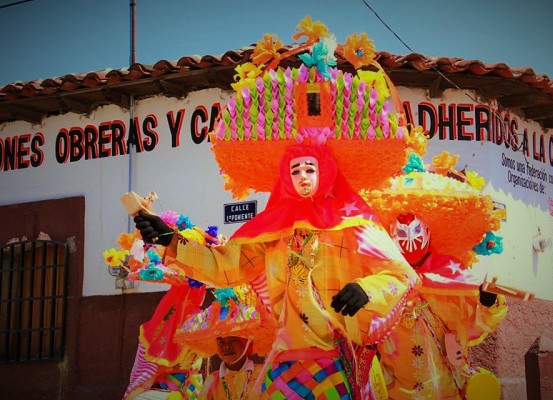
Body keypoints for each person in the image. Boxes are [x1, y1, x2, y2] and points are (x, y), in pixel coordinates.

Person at [135, 144, 418, 399]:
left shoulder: (355, 223)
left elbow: (400, 274)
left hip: (341, 358)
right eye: (295, 170)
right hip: (287, 361)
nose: (303, 176)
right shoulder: (272, 231)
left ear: (327, 171)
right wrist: (170, 241)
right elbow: (226, 267)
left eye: (310, 168)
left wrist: (367, 290)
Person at [362, 158, 508, 400]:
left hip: (447, 390)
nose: (410, 242)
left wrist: (488, 301)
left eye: (416, 234)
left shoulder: (452, 280)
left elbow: (478, 322)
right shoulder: (381, 280)